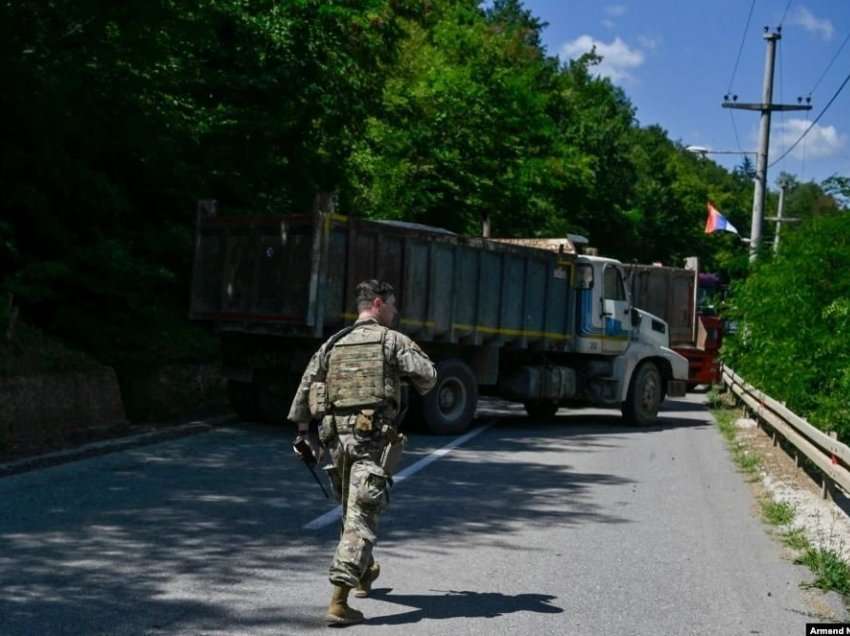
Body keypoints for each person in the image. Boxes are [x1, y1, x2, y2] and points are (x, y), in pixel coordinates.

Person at [289, 279, 437, 626]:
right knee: (361, 515)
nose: (396, 311)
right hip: (371, 441)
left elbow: (304, 391)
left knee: (350, 508)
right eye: (393, 305)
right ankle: (339, 601)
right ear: (377, 303)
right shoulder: (391, 340)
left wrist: (302, 435)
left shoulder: (332, 343)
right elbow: (428, 377)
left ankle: (365, 572)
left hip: (334, 442)